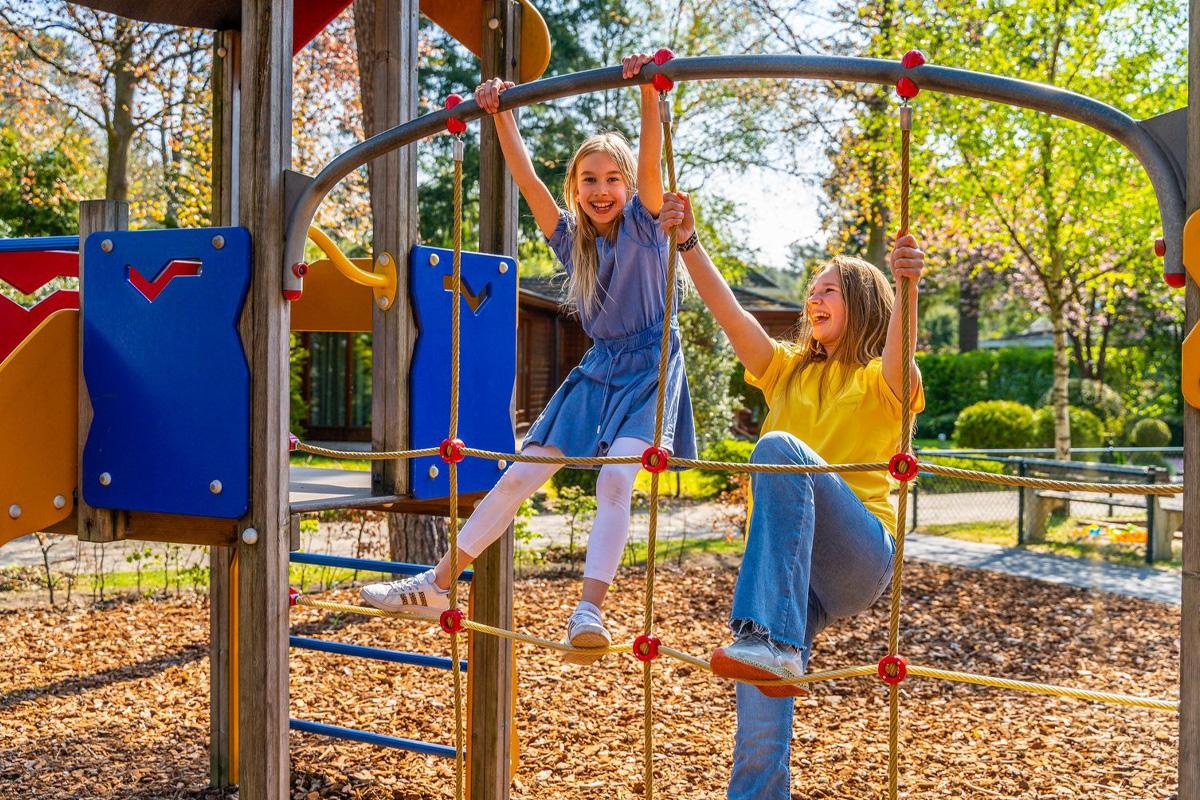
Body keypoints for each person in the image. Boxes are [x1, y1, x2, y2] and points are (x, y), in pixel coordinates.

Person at [361, 55, 697, 664]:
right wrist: (501, 115)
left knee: (617, 479)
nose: (601, 190)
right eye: (589, 180)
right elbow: (526, 181)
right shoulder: (572, 240)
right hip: (599, 370)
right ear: (577, 189)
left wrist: (650, 92)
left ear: (628, 186)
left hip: (650, 367)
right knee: (517, 474)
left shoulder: (648, 228)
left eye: (611, 179)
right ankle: (437, 583)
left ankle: (590, 609)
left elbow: (651, 163)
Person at [658, 191, 925, 799]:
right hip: (791, 582)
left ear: (860, 303)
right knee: (757, 703)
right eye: (812, 289)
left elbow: (900, 355)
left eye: (829, 289)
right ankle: (767, 689)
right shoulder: (788, 370)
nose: (814, 298)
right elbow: (732, 318)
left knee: (778, 447)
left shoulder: (879, 380)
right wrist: (689, 244)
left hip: (858, 553)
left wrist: (908, 287)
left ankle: (771, 643)